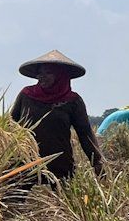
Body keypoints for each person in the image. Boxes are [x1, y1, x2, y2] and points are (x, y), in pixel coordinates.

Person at [10, 49, 104, 183]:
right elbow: (11, 124)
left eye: (48, 72)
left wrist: (97, 161)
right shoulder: (27, 95)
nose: (42, 76)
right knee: (13, 201)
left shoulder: (72, 101)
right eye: (40, 72)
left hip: (59, 162)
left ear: (61, 75)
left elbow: (85, 133)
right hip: (25, 159)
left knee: (64, 201)